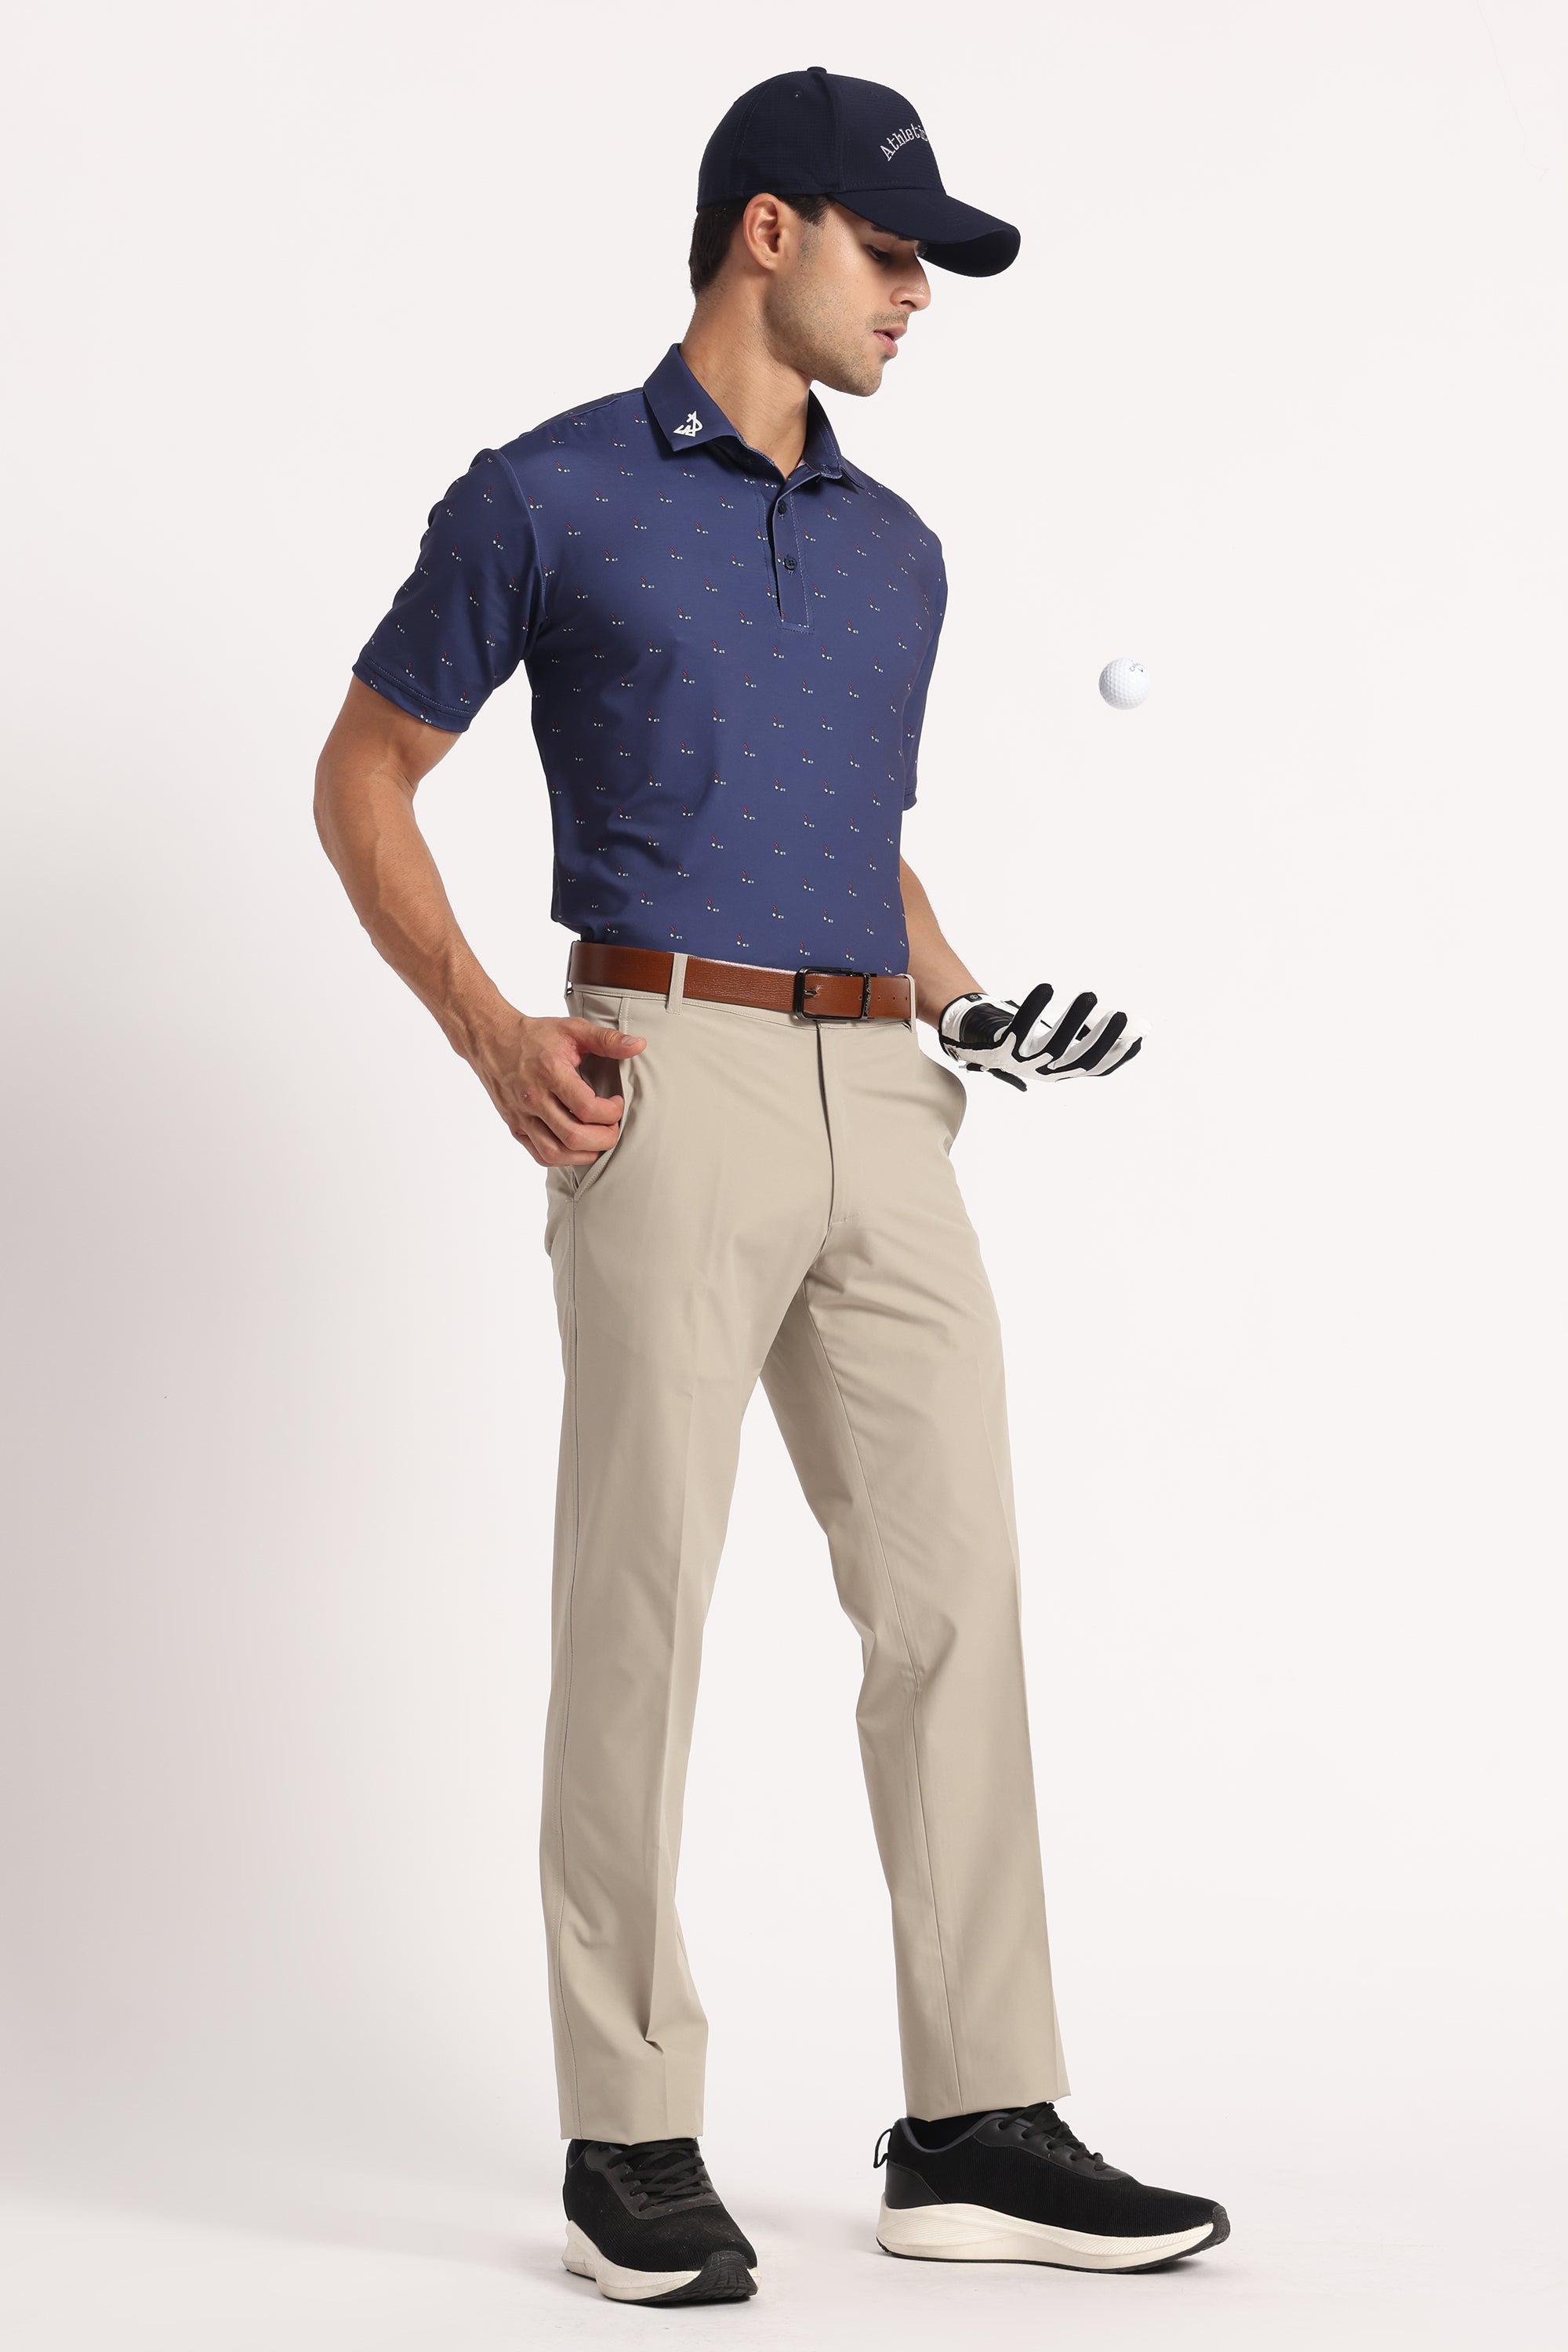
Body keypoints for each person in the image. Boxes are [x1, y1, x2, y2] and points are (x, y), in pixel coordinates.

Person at [314, 65, 1227, 2310]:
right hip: (665, 1076)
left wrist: (976, 1005)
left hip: (884, 1099)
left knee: (954, 1598)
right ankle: (629, 2132)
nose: (917, 297)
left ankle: (976, 2124)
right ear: (767, 232)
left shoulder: (901, 549)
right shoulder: (548, 494)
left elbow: (853, 840)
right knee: (642, 1602)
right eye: (892, 253)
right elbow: (364, 775)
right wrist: (491, 1030)